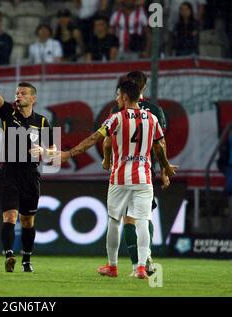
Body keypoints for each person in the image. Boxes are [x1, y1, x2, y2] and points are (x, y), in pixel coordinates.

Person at [59, 80, 177, 279]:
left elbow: (95, 139)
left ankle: (112, 266)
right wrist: (166, 167)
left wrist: (69, 154)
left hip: (119, 179)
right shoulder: (152, 118)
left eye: (118, 95)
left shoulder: (116, 118)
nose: (116, 99)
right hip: (144, 177)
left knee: (114, 221)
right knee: (142, 221)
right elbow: (159, 147)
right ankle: (141, 266)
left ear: (124, 97)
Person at [0, 60, 56, 273]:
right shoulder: (8, 114)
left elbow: (53, 150)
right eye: (17, 93)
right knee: (9, 216)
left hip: (30, 175)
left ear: (33, 98)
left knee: (27, 220)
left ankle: (26, 260)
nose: (18, 96)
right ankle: (8, 255)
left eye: (23, 93)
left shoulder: (41, 122)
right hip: (9, 172)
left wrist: (43, 152)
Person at [103, 71, 168, 277]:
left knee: (125, 220)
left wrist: (107, 159)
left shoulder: (117, 110)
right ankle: (144, 260)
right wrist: (165, 170)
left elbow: (107, 140)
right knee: (143, 218)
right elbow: (160, 143)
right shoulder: (155, 111)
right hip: (145, 171)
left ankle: (134, 266)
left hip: (122, 172)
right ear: (144, 88)